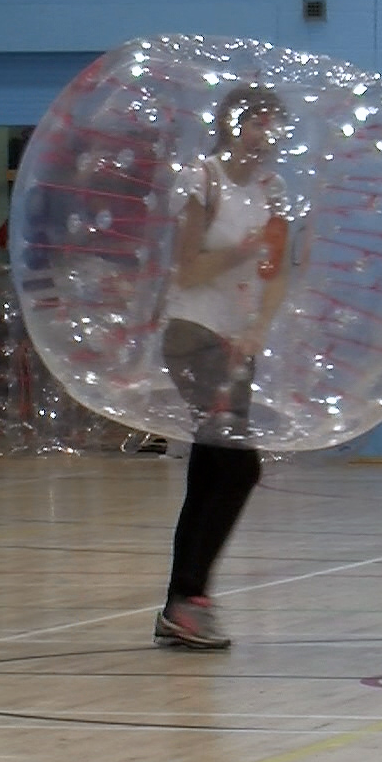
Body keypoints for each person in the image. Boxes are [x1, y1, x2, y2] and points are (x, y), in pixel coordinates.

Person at [153, 83, 293, 649]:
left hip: (236, 342)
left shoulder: (272, 189)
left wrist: (257, 329)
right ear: (233, 125)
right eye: (257, 123)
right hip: (193, 334)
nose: (266, 135)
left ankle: (184, 603)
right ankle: (188, 598)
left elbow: (279, 268)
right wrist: (245, 248)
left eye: (272, 125)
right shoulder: (202, 180)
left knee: (214, 467)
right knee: (237, 466)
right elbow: (186, 270)